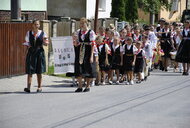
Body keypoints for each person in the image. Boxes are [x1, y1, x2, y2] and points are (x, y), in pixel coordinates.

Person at [24, 20, 49, 93]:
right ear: (32, 25)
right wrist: (25, 53)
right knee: (30, 71)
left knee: (39, 70)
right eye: (35, 24)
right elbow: (27, 44)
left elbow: (46, 44)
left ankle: (39, 87)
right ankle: (28, 88)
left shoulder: (43, 33)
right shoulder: (29, 33)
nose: (37, 25)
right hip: (31, 53)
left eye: (38, 24)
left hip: (39, 53)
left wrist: (44, 42)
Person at [73, 17, 97, 92]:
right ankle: (80, 86)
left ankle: (87, 86)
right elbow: (76, 42)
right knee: (79, 68)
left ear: (87, 24)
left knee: (88, 68)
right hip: (80, 52)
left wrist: (91, 56)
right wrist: (75, 43)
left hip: (88, 51)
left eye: (83, 23)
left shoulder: (90, 32)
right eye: (81, 23)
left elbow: (93, 44)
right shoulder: (78, 31)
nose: (82, 25)